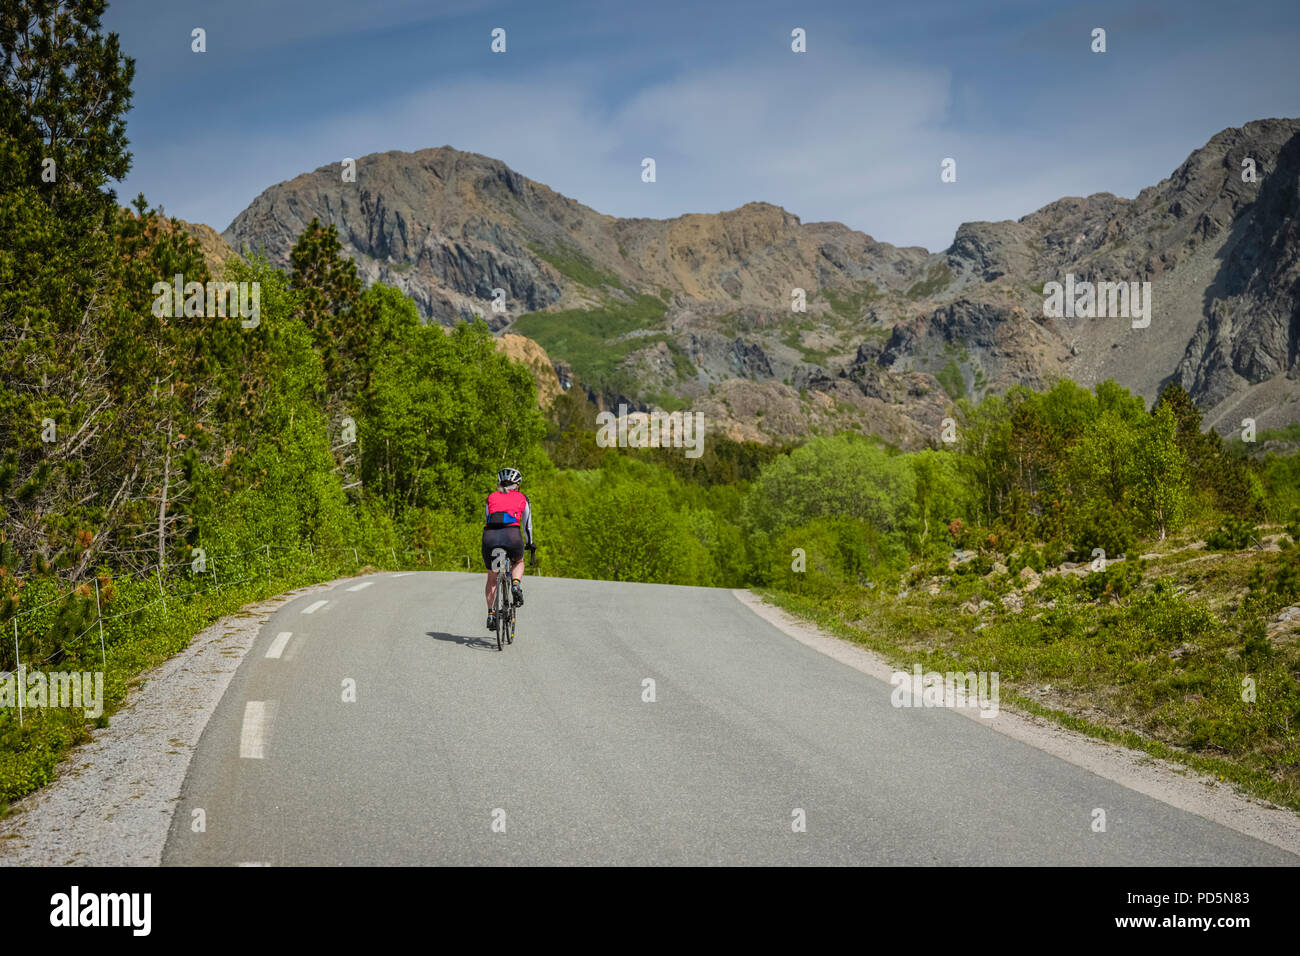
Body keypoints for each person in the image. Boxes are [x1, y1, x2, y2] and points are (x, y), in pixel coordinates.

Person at [482, 466, 534, 631]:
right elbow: (527, 526)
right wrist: (530, 543)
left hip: (490, 536)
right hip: (512, 535)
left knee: (492, 576)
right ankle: (516, 584)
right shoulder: (522, 498)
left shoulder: (491, 497)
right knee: (518, 561)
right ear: (517, 484)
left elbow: (487, 519)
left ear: (499, 482)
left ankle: (491, 614)